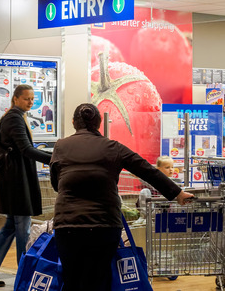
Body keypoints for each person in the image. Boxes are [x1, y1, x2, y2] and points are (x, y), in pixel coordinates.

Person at [50, 103, 194, 291]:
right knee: (100, 279)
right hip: (104, 225)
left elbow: (55, 184)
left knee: (72, 280)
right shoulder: (113, 147)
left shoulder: (61, 146)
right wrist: (177, 193)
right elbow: (146, 169)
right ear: (99, 124)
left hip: (68, 225)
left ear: (73, 123)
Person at [0, 84, 52, 287]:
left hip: (13, 179)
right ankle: (24, 274)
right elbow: (26, 149)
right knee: (23, 229)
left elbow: (25, 149)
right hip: (17, 181)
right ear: (16, 99)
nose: (30, 102)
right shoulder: (14, 118)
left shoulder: (15, 117)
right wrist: (54, 158)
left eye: (32, 98)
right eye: (26, 98)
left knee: (11, 226)